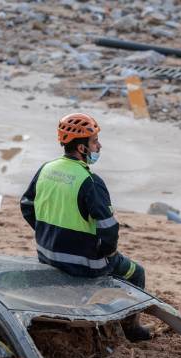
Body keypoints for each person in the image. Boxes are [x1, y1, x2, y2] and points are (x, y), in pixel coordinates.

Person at [20, 112, 151, 341]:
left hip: (47, 255)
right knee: (136, 273)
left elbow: (26, 205)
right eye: (94, 141)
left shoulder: (46, 169)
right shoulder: (90, 181)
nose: (99, 145)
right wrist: (108, 253)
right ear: (82, 149)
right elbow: (109, 229)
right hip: (84, 264)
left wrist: (47, 233)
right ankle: (132, 330)